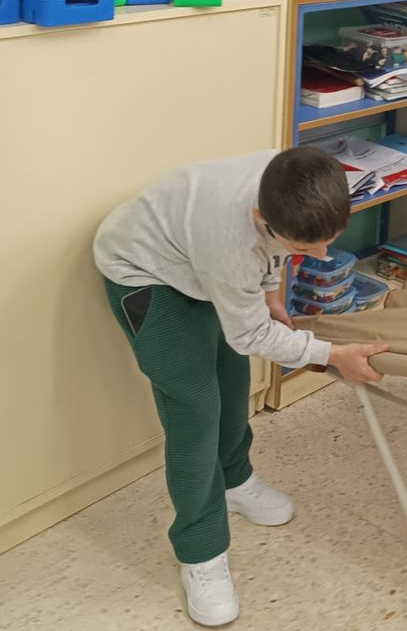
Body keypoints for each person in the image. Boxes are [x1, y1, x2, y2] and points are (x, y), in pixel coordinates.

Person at [94, 146, 389, 627]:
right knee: (194, 408)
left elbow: (269, 258)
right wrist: (332, 356)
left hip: (197, 265)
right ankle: (201, 554)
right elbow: (249, 332)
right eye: (304, 247)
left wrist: (270, 292)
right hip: (144, 270)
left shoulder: (295, 178)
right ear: (260, 217)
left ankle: (234, 478)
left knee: (232, 378)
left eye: (328, 241)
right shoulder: (228, 240)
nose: (320, 256)